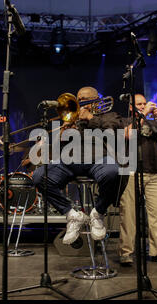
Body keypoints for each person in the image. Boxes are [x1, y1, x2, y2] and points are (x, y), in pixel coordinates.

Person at [32, 86, 125, 244]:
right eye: (78, 99)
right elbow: (56, 149)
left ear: (96, 100)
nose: (80, 102)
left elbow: (114, 131)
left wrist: (90, 118)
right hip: (69, 160)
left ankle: (98, 213)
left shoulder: (109, 115)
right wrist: (63, 133)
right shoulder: (72, 118)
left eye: (83, 99)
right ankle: (72, 215)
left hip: (98, 159)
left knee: (114, 171)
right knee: (39, 176)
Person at [118, 94, 157, 266]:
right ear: (132, 107)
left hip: (155, 172)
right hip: (132, 171)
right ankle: (126, 252)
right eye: (139, 104)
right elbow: (127, 136)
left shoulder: (153, 123)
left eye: (144, 103)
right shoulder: (124, 121)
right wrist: (143, 115)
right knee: (129, 216)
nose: (143, 106)